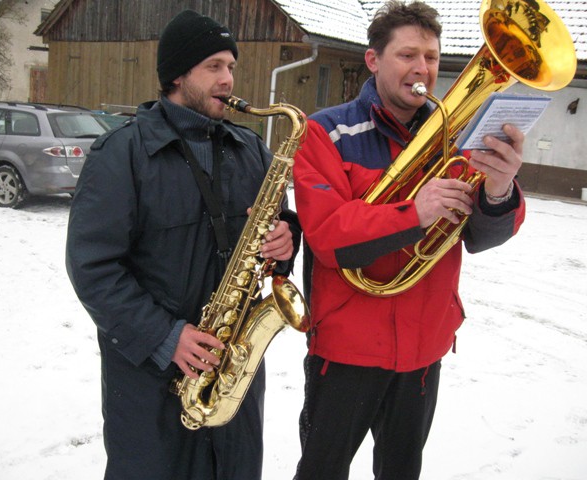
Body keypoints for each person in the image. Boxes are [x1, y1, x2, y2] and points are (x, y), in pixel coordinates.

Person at [291, 1, 526, 479]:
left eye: (433, 58)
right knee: (321, 469)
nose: (423, 69)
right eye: (408, 55)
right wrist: (413, 213)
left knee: (402, 471)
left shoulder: (460, 138)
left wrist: (499, 190)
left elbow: (482, 237)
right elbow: (327, 236)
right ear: (374, 60)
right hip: (345, 350)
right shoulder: (326, 132)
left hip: (423, 349)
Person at [65, 10, 300, 480]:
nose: (228, 79)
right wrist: (165, 337)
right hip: (150, 380)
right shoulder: (122, 154)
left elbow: (279, 225)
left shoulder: (250, 148)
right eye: (214, 66)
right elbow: (92, 267)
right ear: (177, 74)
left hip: (233, 376)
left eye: (231, 66)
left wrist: (286, 240)